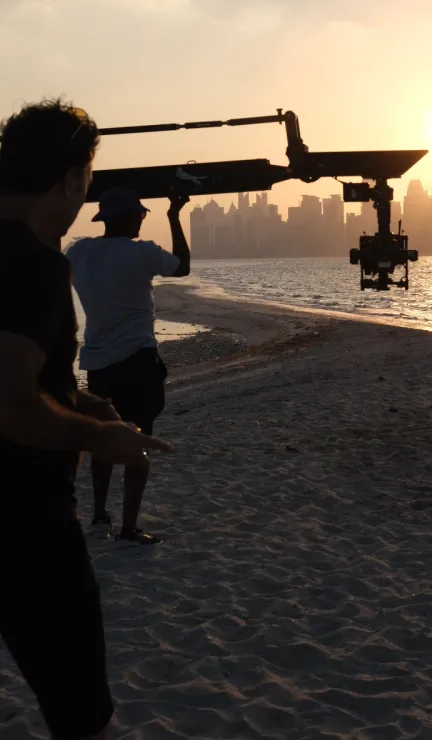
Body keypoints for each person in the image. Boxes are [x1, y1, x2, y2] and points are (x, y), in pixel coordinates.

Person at [0, 99, 171, 740]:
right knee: (82, 719)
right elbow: (12, 405)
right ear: (72, 179)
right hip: (25, 523)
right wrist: (102, 436)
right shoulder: (37, 263)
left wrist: (75, 398)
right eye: (87, 177)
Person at [65, 186, 191, 545]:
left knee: (104, 440)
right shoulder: (142, 253)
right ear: (126, 217)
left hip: (99, 364)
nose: (141, 217)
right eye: (139, 213)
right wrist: (174, 216)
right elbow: (181, 267)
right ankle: (129, 527)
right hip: (138, 362)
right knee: (139, 441)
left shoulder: (80, 251)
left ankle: (99, 513)